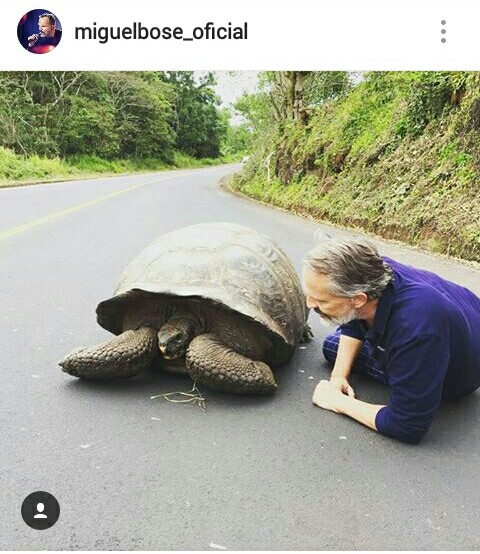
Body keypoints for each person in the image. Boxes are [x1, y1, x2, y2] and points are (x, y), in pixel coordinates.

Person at [303, 239, 480, 444]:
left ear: (359, 299)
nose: (309, 304)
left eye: (322, 300)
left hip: (460, 373)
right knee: (333, 345)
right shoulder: (372, 270)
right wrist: (338, 376)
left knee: (340, 346)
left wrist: (335, 401)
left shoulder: (415, 330)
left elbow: (407, 425)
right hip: (468, 319)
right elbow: (353, 319)